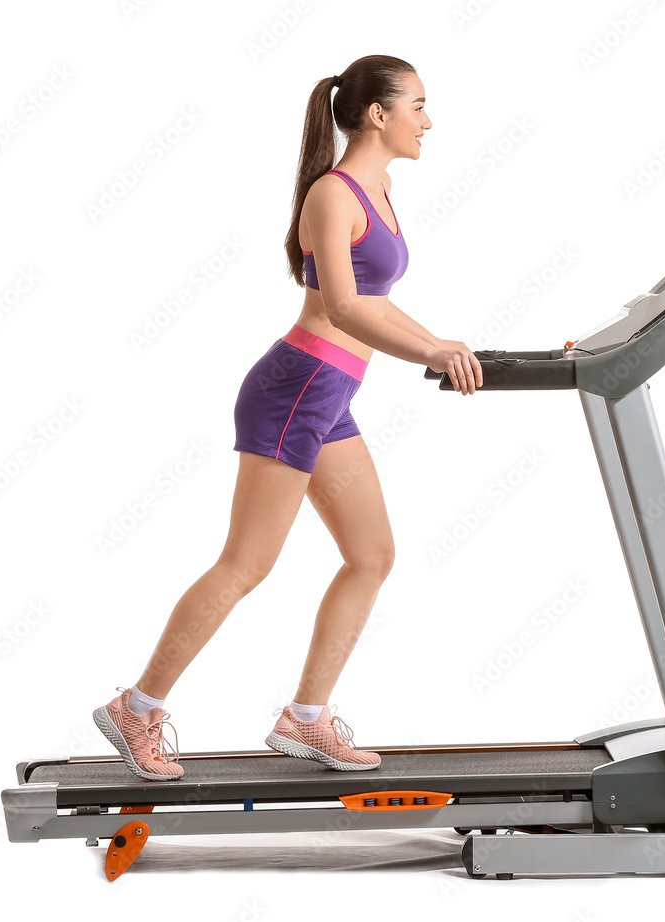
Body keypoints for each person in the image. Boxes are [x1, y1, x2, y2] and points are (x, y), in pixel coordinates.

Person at [92, 54, 484, 781]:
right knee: (247, 564)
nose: (428, 120)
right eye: (419, 106)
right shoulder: (333, 197)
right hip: (297, 388)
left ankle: (305, 719)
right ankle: (136, 708)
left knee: (372, 556)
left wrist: (439, 339)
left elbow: (376, 297)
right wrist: (427, 349)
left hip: (328, 396)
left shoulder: (383, 189)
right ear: (378, 114)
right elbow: (341, 306)